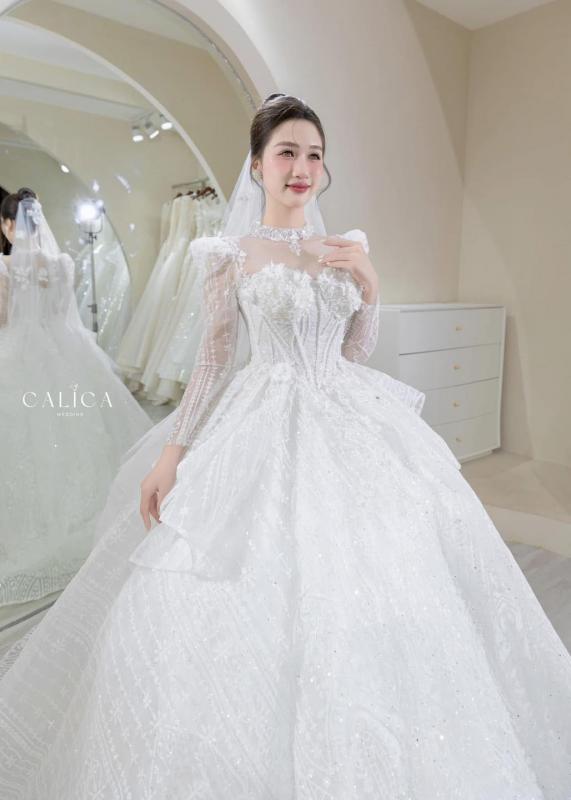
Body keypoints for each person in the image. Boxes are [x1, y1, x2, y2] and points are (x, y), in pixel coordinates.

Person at [0, 96, 570, 799]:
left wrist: (370, 284)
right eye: (287, 153)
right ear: (257, 166)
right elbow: (214, 360)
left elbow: (354, 353)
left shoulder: (345, 247)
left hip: (348, 417)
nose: (302, 168)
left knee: (381, 574)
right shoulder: (229, 255)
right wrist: (172, 454)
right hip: (262, 417)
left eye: (314, 155)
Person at [0, 188, 152, 605]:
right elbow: (66, 313)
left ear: (8, 225)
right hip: (68, 350)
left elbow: (4, 318)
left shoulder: (4, 266)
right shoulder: (63, 264)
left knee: (26, 440)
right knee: (81, 433)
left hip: (17, 354)